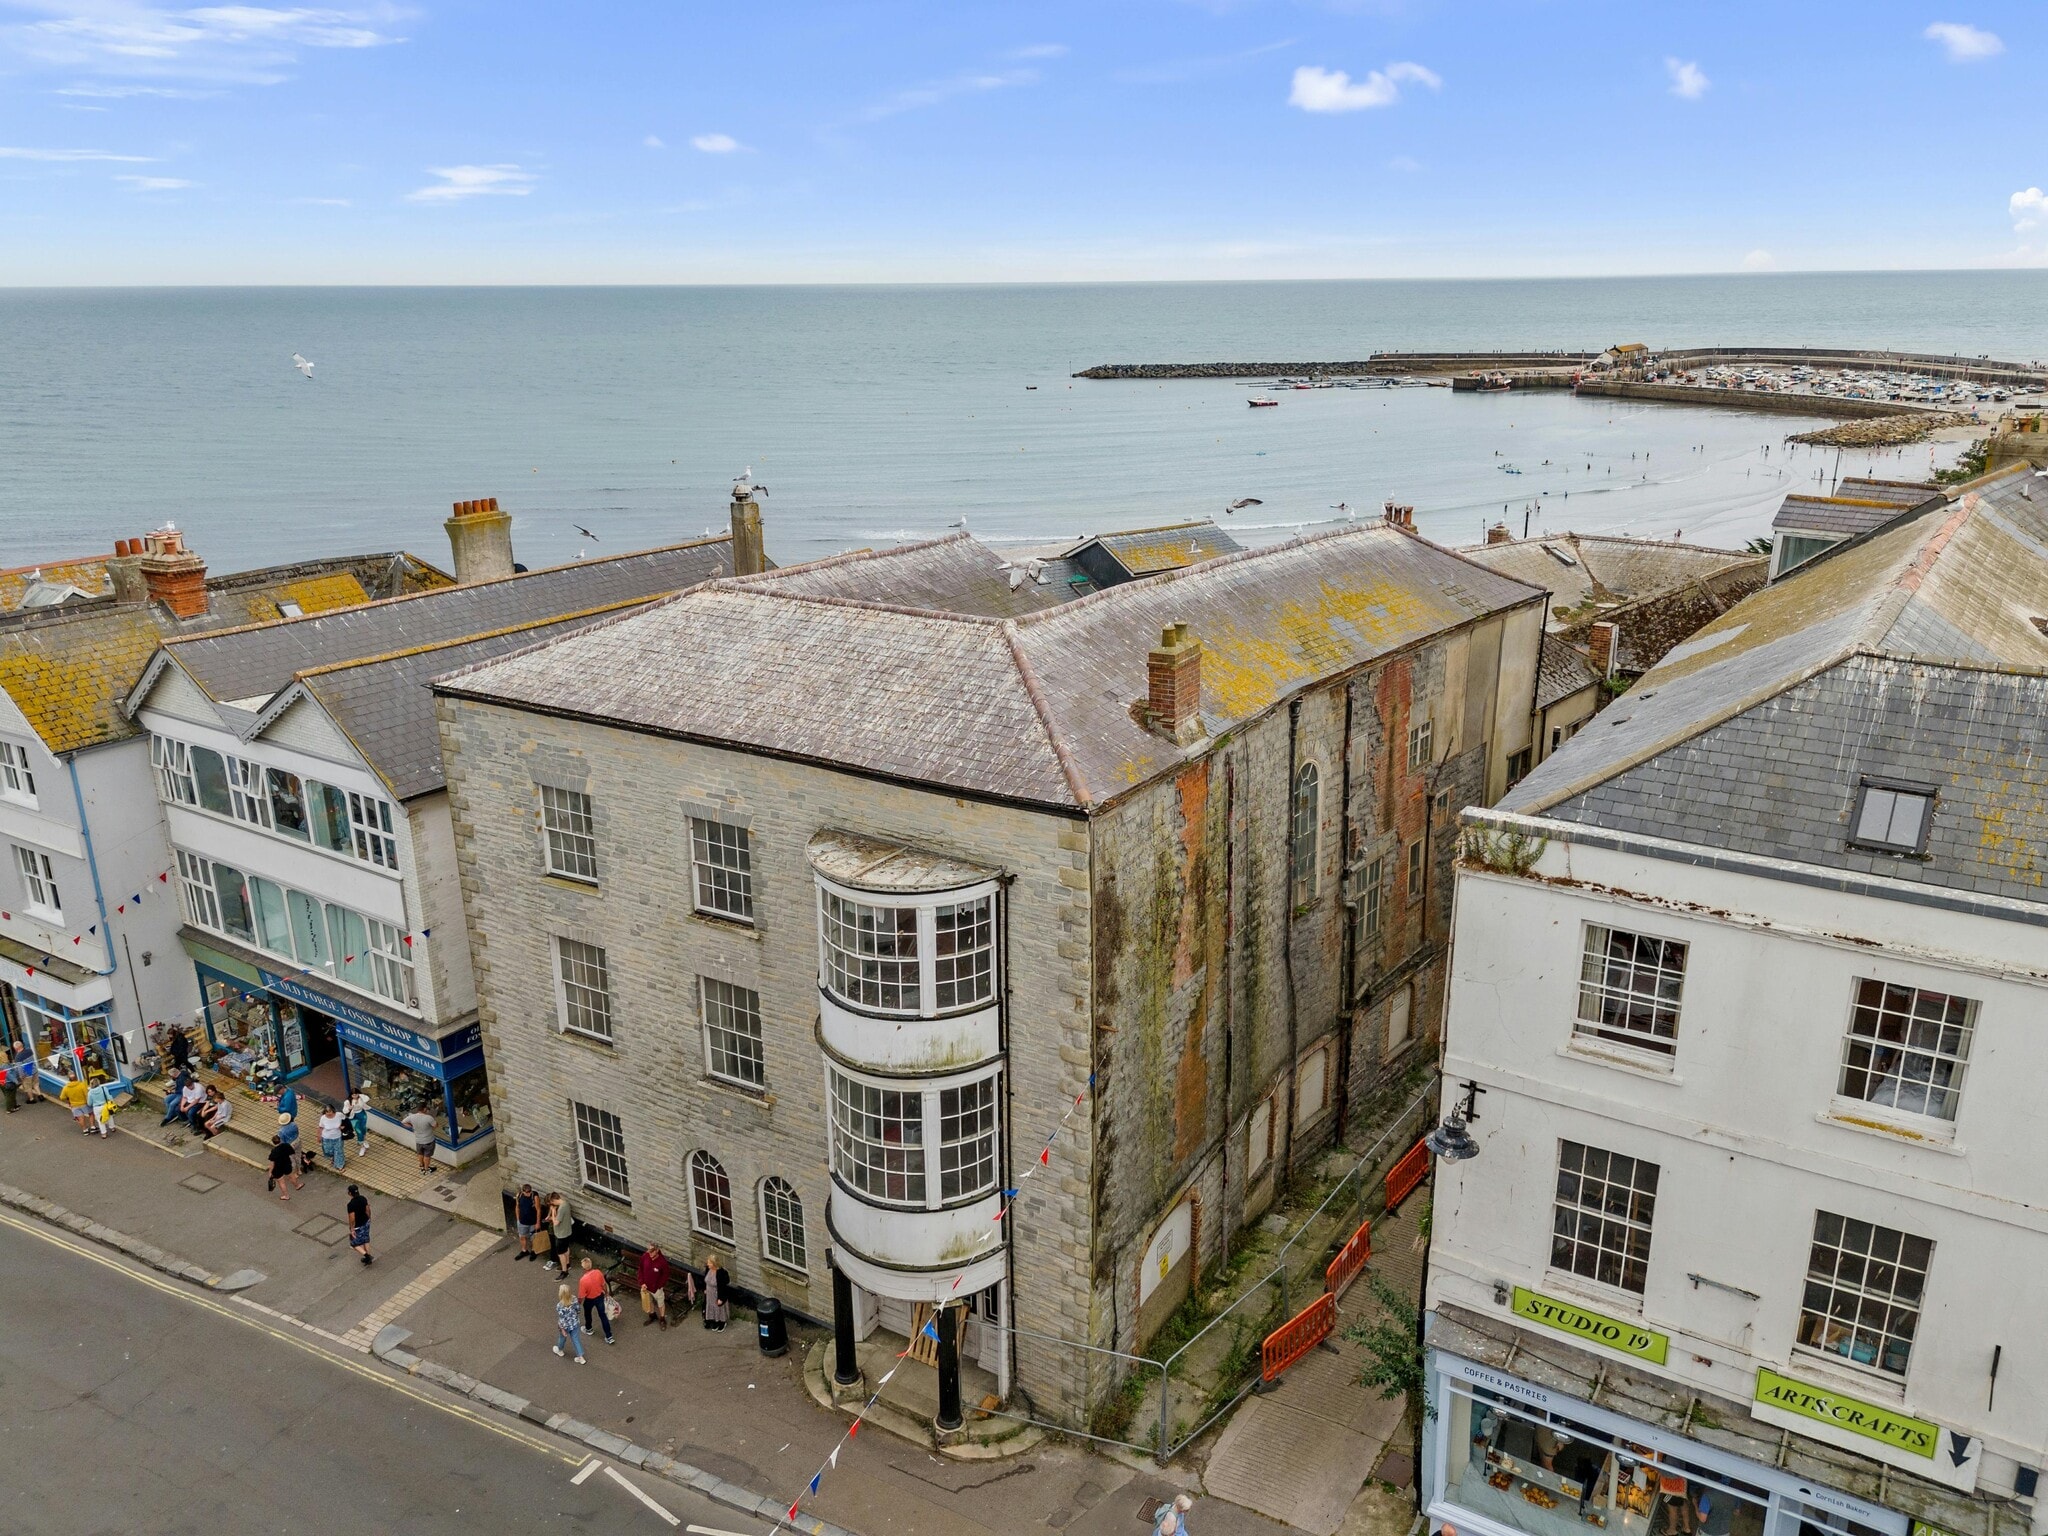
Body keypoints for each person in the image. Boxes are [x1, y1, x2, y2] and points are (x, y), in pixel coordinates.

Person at [576, 1256, 615, 1345]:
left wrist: (578, 1304)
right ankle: (609, 1336)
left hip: (590, 1299)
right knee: (603, 1316)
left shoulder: (583, 1280)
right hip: (599, 1296)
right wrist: (606, 1293)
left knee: (587, 1313)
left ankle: (589, 1328)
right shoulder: (598, 1272)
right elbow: (603, 1284)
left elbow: (581, 1295)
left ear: (583, 1268)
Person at [637, 1243, 671, 1329]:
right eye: (648, 1250)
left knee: (660, 1303)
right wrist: (642, 1283)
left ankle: (662, 1318)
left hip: (657, 1288)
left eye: (652, 1251)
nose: (649, 1253)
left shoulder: (662, 1262)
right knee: (649, 1301)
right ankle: (652, 1315)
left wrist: (659, 1285)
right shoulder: (645, 1256)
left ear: (657, 1250)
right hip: (646, 1286)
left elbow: (665, 1275)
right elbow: (640, 1270)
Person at [553, 1282, 587, 1364]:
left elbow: (562, 1319)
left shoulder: (560, 1305)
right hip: (575, 1323)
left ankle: (560, 1350)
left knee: (562, 1338)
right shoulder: (574, 1299)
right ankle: (581, 1357)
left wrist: (562, 1329)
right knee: (576, 1339)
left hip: (565, 1326)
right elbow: (578, 1309)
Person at [402, 1106, 437, 1172]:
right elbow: (435, 1125)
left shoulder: (412, 1117)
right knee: (427, 1155)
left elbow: (403, 1122)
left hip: (418, 1140)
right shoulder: (428, 1118)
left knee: (420, 1153)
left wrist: (411, 1126)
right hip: (428, 1140)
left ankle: (421, 1165)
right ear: (424, 1109)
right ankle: (426, 1169)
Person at [345, 1184, 373, 1265]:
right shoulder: (363, 1198)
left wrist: (352, 1228)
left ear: (350, 1193)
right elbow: (367, 1209)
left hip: (358, 1226)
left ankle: (367, 1256)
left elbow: (352, 1217)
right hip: (366, 1222)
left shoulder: (351, 1204)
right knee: (366, 1239)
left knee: (354, 1244)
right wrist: (369, 1218)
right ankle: (368, 1257)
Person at [544, 1192, 572, 1272]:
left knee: (561, 1253)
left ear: (553, 1200)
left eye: (551, 1203)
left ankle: (564, 1271)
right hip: (567, 1231)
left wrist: (552, 1212)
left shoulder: (561, 1208)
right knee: (566, 1249)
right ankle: (567, 1264)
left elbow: (556, 1222)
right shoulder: (566, 1204)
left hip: (561, 1234)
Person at [700, 1253, 728, 1331]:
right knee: (710, 1306)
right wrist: (705, 1289)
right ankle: (713, 1320)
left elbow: (722, 1287)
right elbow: (705, 1279)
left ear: (714, 1264)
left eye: (709, 1262)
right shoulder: (708, 1269)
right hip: (709, 1293)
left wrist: (721, 1298)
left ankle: (722, 1322)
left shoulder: (720, 1273)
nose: (707, 1264)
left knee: (718, 1307)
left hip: (716, 1293)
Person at [265, 1134, 298, 1201]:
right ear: (280, 1140)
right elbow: (292, 1154)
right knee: (291, 1176)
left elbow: (272, 1164)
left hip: (277, 1169)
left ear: (273, 1142)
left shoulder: (274, 1152)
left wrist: (270, 1172)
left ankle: (286, 1196)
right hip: (287, 1164)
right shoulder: (286, 1145)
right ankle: (297, 1186)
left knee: (281, 1182)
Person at [513, 1184, 540, 1261]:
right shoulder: (519, 1195)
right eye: (526, 1192)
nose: (528, 1194)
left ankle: (534, 1251)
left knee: (533, 1238)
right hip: (522, 1221)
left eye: (529, 1192)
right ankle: (524, 1250)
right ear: (523, 1191)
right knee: (522, 1236)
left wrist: (538, 1222)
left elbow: (538, 1210)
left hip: (532, 1221)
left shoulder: (534, 1196)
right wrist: (518, 1219)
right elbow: (517, 1207)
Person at [317, 1105, 346, 1173]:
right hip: (326, 1137)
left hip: (337, 1137)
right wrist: (318, 1136)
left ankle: (340, 1166)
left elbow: (345, 1120)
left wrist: (343, 1126)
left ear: (333, 1110)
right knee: (327, 1151)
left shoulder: (339, 1115)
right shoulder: (323, 1118)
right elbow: (320, 1127)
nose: (329, 1113)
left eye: (330, 1111)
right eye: (327, 1112)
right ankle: (334, 1158)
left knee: (338, 1151)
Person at [344, 1090, 370, 1158]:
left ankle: (364, 1140)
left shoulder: (361, 1098)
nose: (355, 1096)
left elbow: (367, 1098)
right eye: (353, 1095)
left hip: (362, 1114)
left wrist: (360, 1096)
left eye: (356, 1094)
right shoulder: (348, 1101)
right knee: (358, 1130)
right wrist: (349, 1108)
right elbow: (344, 1110)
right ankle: (362, 1146)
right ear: (351, 1095)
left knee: (363, 1128)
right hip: (353, 1116)